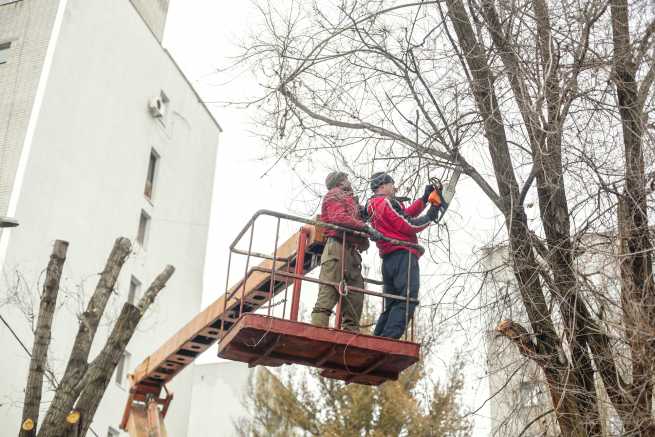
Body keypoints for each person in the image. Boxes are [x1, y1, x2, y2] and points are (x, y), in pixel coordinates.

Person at [366, 171, 440, 339]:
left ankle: (378, 338)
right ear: (383, 186)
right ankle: (388, 340)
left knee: (392, 303)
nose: (395, 188)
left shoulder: (374, 205)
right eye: (392, 185)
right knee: (407, 298)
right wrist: (430, 216)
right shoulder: (385, 202)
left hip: (388, 259)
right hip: (402, 255)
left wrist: (424, 199)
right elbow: (408, 225)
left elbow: (404, 215)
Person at [311, 171, 382, 332]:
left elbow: (363, 215)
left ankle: (350, 335)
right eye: (347, 179)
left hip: (351, 252)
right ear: (341, 181)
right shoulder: (334, 195)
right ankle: (318, 332)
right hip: (336, 248)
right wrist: (365, 228)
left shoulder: (350, 201)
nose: (349, 182)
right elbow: (339, 218)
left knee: (355, 296)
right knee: (328, 293)